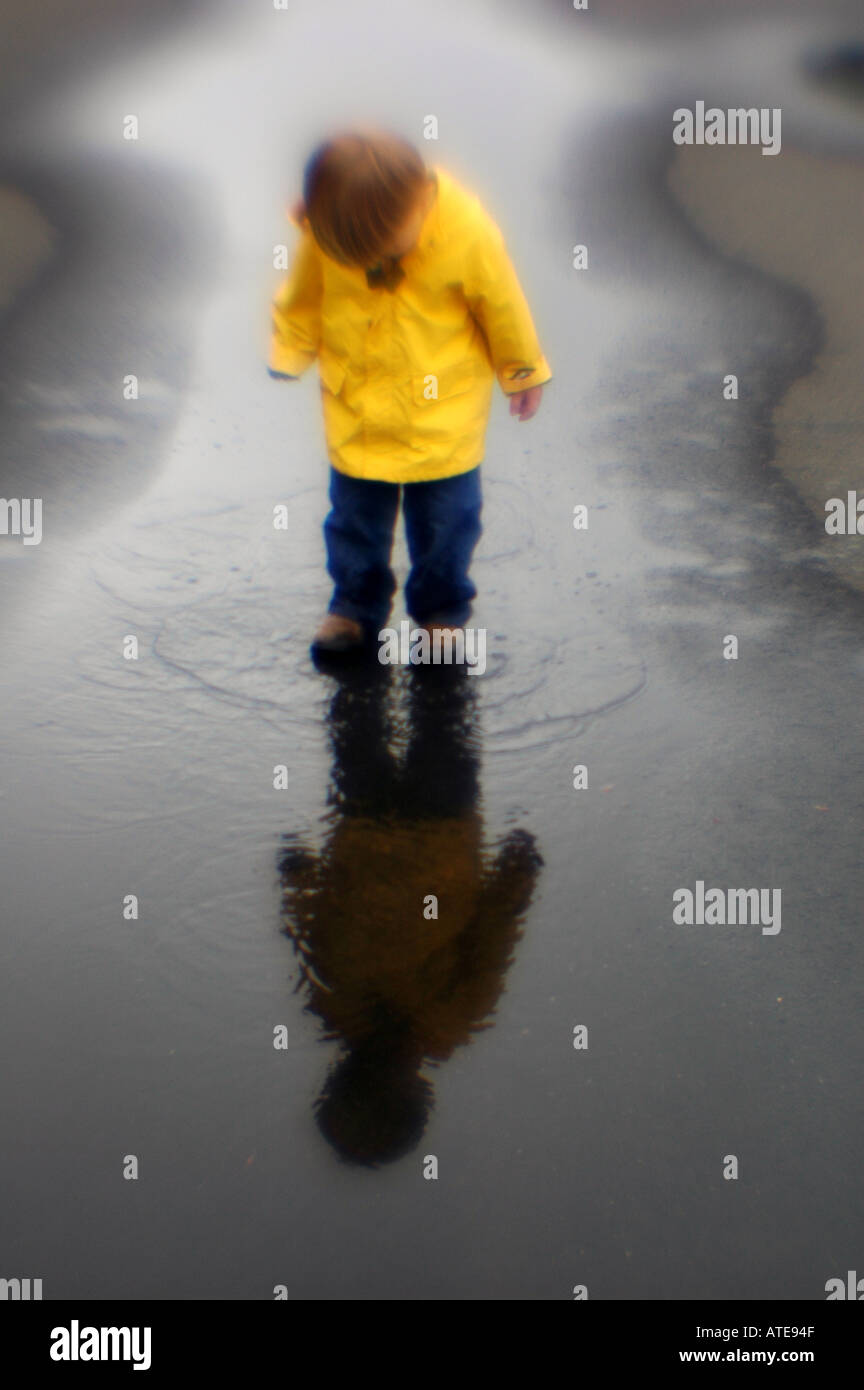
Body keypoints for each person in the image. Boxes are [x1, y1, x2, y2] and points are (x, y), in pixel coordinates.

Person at [268, 127, 552, 654]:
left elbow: (502, 304)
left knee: (447, 524)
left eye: (384, 247)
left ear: (419, 200)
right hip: (360, 410)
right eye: (357, 254)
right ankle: (354, 606)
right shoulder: (330, 232)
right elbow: (303, 297)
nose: (372, 261)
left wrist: (521, 370)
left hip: (442, 415)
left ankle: (441, 614)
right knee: (354, 521)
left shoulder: (466, 231)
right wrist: (291, 348)